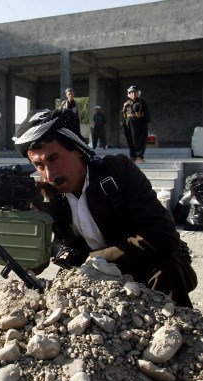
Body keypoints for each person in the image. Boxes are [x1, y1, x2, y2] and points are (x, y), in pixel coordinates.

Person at [13, 108, 197, 308]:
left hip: (144, 270)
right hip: (92, 283)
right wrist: (25, 232)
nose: (49, 175)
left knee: (165, 267)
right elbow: (36, 265)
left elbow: (163, 236)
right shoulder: (46, 193)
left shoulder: (117, 172)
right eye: (39, 165)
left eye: (53, 159)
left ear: (76, 148)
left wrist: (94, 261)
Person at [122, 85, 150, 163]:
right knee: (130, 140)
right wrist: (124, 108)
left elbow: (147, 113)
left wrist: (144, 123)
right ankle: (132, 156)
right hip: (128, 124)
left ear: (138, 93)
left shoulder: (141, 102)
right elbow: (123, 113)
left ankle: (139, 157)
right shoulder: (127, 103)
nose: (133, 94)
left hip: (138, 124)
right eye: (132, 92)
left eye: (135, 92)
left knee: (138, 140)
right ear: (129, 94)